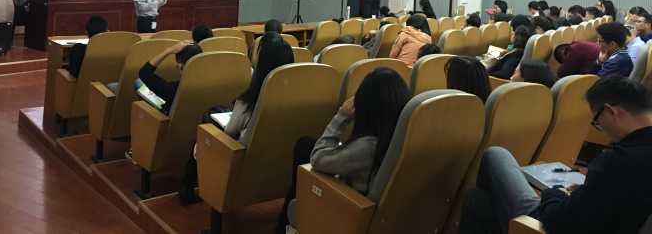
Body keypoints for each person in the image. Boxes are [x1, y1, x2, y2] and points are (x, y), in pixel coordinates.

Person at [458, 75, 652, 234]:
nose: (601, 130)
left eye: (597, 123)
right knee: (478, 200)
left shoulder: (619, 160)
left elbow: (559, 221)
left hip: (550, 222)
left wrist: (554, 193)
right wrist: (590, 191)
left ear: (611, 112)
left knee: (495, 154)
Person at [279, 68, 411, 233]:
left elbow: (317, 158)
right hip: (380, 215)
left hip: (347, 209)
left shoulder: (368, 147)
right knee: (305, 145)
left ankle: (287, 226)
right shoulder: (403, 138)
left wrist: (341, 116)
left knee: (305, 152)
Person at [226, 33, 293, 145]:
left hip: (244, 154)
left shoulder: (248, 102)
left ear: (260, 66)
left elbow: (229, 132)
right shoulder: (297, 99)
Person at [138, 41, 202, 114]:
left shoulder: (173, 91)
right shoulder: (208, 83)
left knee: (138, 84)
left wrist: (168, 51)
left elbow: (144, 73)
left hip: (165, 117)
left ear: (180, 66)